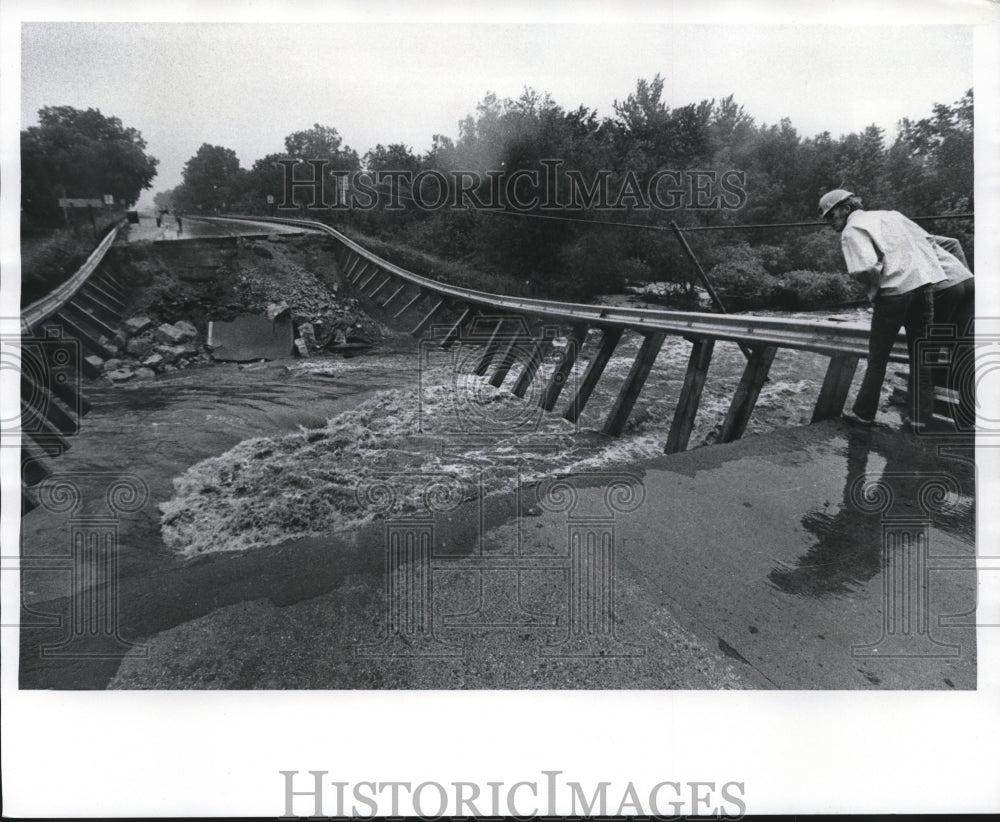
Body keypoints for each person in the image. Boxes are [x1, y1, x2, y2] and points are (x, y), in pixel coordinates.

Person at [819, 189, 946, 431]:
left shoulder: (852, 230)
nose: (829, 221)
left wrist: (874, 292)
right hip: (923, 287)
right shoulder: (893, 215)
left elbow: (865, 267)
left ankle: (864, 415)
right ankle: (919, 419)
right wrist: (919, 269)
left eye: (831, 215)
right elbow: (929, 241)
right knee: (922, 356)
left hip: (893, 294)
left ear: (846, 208)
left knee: (877, 359)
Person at [930, 234, 975, 429]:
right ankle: (969, 416)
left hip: (947, 287)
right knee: (966, 350)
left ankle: (920, 411)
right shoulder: (918, 233)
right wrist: (963, 276)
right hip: (968, 282)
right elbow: (953, 243)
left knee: (929, 348)